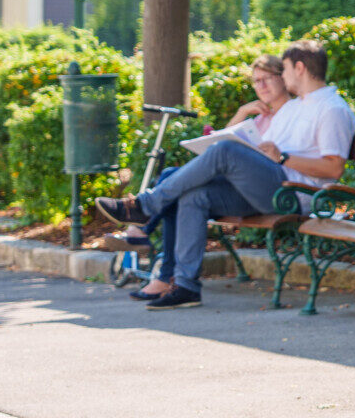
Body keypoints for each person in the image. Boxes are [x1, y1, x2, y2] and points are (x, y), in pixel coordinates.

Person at [94, 40, 355, 310]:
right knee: (194, 196)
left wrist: (283, 157)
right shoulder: (295, 107)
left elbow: (334, 168)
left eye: (286, 69)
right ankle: (185, 286)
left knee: (225, 151)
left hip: (293, 194)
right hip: (267, 186)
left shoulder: (331, 108)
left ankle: (145, 207)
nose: (284, 74)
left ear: (300, 68)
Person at [123, 56, 292, 301]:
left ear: (283, 78)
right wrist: (242, 112)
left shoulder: (291, 115)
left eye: (267, 79)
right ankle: (169, 275)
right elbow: (225, 140)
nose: (262, 86)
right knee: (176, 181)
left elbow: (239, 152)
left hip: (265, 191)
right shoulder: (259, 118)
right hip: (237, 187)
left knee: (177, 182)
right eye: (256, 81)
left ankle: (146, 224)